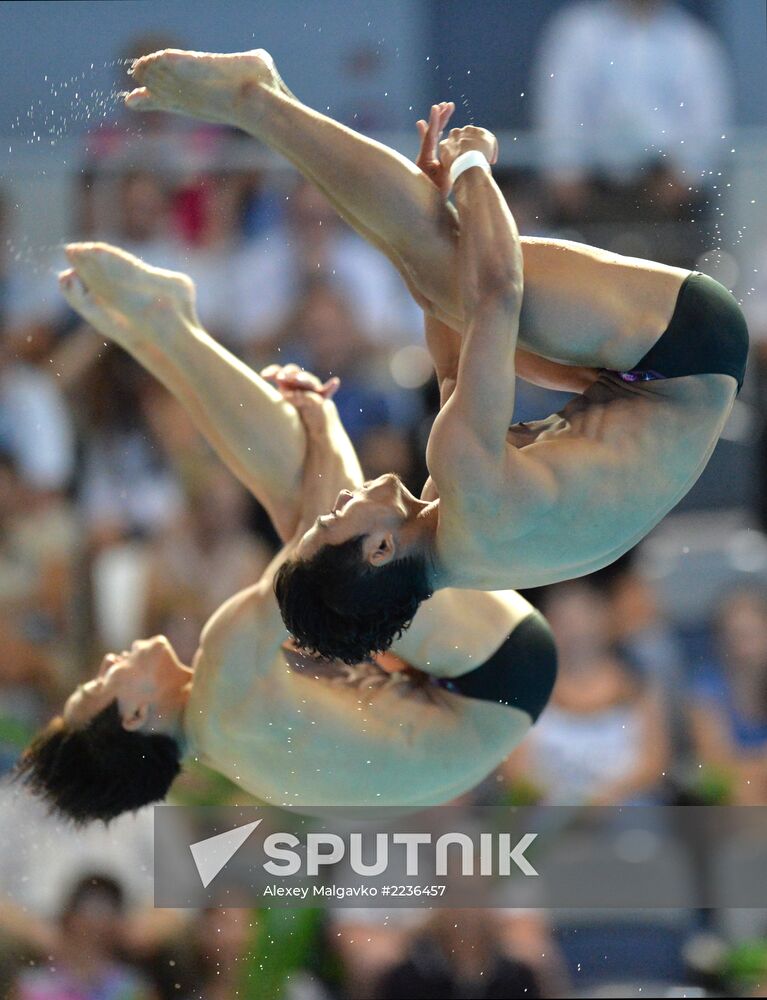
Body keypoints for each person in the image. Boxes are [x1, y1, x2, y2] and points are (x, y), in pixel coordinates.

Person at [122, 48, 749, 663]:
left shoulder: (465, 545)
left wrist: (435, 201)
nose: (338, 503)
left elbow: (456, 365)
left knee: (432, 272)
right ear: (378, 551)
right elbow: (497, 290)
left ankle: (265, 103)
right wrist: (473, 164)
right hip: (684, 348)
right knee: (445, 262)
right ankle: (255, 100)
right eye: (331, 523)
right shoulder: (467, 488)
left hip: (664, 379)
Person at [14, 242, 556, 823]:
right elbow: (322, 556)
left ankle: (161, 329)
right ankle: (164, 327)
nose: (110, 661)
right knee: (325, 542)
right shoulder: (224, 679)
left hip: (480, 706)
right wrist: (324, 425)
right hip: (496, 674)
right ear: (135, 716)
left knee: (295, 514)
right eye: (103, 681)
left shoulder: (226, 738)